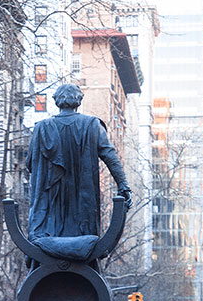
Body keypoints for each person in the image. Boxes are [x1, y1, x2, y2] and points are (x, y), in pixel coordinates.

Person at [24, 83, 132, 262]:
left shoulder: (41, 128)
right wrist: (123, 185)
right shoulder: (92, 125)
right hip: (83, 206)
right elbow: (110, 156)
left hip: (50, 209)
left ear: (57, 102)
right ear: (78, 102)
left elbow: (30, 165)